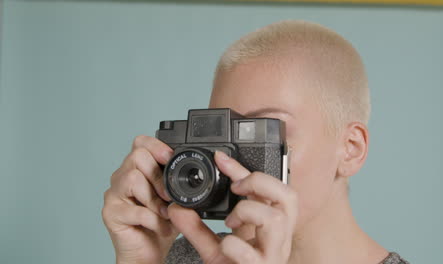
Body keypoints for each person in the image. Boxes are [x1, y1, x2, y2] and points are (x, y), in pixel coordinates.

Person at [102, 20, 409, 264]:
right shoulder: (181, 258)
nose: (229, 164)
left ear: (351, 149)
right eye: (220, 138)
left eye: (262, 132)